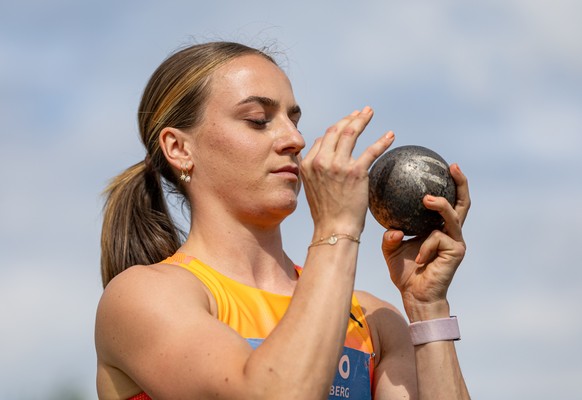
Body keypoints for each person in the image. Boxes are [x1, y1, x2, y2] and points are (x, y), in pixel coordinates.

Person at [95, 41, 471, 400]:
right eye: (258, 120)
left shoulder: (372, 319)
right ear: (179, 148)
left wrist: (427, 309)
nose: (294, 139)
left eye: (294, 120)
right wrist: (336, 228)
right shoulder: (145, 297)